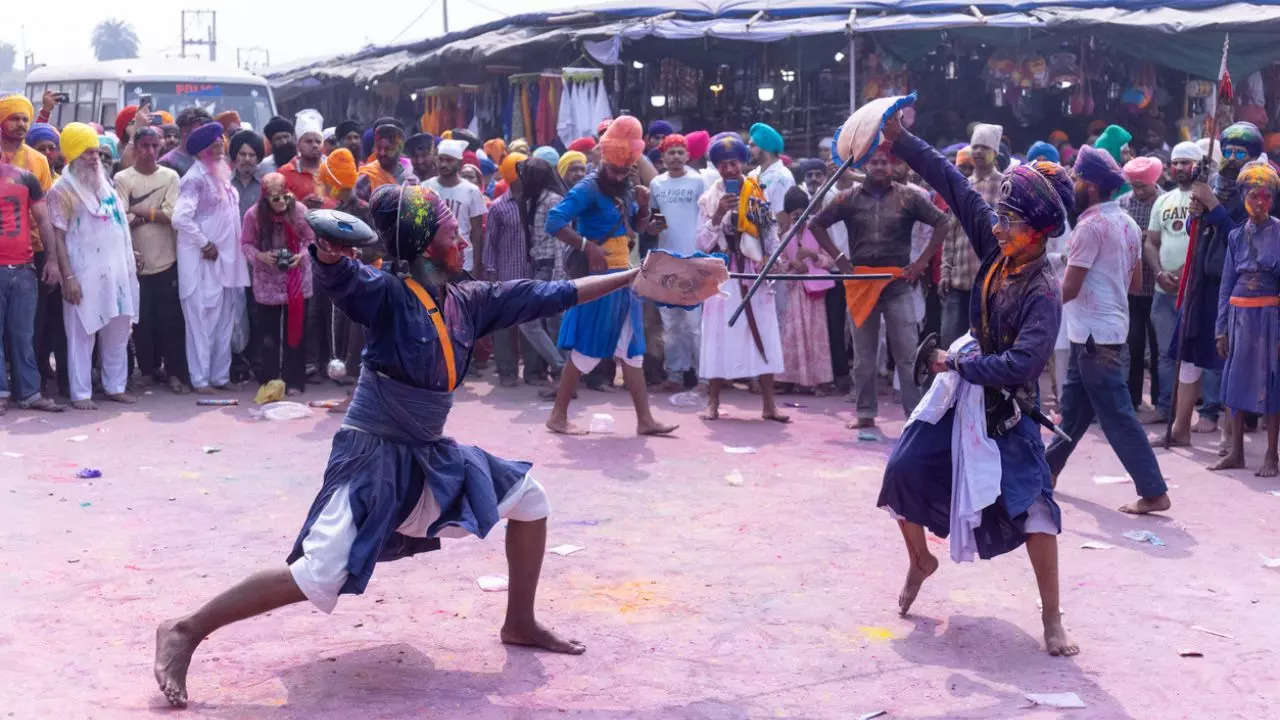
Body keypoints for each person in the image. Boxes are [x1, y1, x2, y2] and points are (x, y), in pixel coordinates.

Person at [147, 182, 690, 708]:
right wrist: (331, 257)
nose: (465, 243)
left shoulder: (469, 300)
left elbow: (550, 293)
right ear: (428, 248)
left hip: (426, 453)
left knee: (531, 498)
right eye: (456, 236)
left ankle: (519, 621)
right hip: (372, 456)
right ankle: (185, 628)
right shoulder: (386, 295)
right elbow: (341, 281)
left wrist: (632, 277)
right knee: (317, 575)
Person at [875, 113, 1079, 657]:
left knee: (1035, 512)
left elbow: (1020, 365)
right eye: (1000, 216)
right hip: (962, 387)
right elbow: (951, 180)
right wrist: (899, 141)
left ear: (1036, 232)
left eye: (1010, 221)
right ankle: (921, 559)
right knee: (902, 471)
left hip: (1008, 409)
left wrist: (955, 364)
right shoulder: (997, 248)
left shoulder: (1043, 292)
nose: (997, 226)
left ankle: (1053, 620)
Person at [1044, 145, 1171, 514]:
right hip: (1106, 332)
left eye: (1078, 178)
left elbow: (1068, 289)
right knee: (1074, 411)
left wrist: (1033, 305)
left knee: (1117, 418)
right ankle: (1048, 470)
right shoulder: (1129, 223)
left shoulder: (1089, 226)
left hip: (1092, 338)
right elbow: (1134, 284)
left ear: (1093, 187)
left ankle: (1153, 490)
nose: (1073, 185)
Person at [544, 116, 678, 436]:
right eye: (615, 168)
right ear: (605, 159)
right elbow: (554, 220)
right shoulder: (588, 187)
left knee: (632, 351)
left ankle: (645, 419)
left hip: (626, 277)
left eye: (625, 169)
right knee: (587, 348)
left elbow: (636, 229)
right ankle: (558, 416)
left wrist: (644, 208)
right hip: (600, 279)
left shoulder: (629, 186)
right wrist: (586, 245)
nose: (619, 174)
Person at [811, 143, 949, 429]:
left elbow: (943, 222)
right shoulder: (848, 198)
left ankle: (915, 415)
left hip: (897, 283)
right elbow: (815, 224)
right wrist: (839, 259)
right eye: (873, 162)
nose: (878, 167)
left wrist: (922, 261)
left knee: (908, 355)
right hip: (861, 282)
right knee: (864, 357)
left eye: (884, 162)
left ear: (892, 166)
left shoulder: (909, 197)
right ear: (864, 166)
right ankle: (865, 413)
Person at [695, 134, 789, 421]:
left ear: (742, 163)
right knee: (717, 335)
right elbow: (701, 243)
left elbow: (770, 232)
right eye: (722, 165)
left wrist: (775, 261)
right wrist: (718, 215)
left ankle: (769, 404)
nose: (729, 170)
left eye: (734, 163)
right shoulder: (708, 197)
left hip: (753, 270)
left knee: (764, 332)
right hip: (723, 275)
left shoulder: (758, 193)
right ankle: (712, 402)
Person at [46, 123, 139, 410]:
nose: (94, 157)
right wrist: (68, 277)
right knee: (81, 334)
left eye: (96, 152)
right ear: (72, 156)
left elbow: (117, 224)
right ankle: (81, 393)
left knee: (118, 329)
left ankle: (115, 386)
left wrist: (130, 254)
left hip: (117, 272)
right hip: (83, 274)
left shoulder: (104, 183)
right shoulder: (60, 190)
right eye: (87, 153)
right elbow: (58, 237)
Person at [1212, 160, 1280, 476]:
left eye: (1265, 196)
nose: (1259, 202)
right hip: (1239, 317)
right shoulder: (1237, 236)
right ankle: (1236, 452)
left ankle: (1271, 456)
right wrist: (1221, 328)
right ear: (1243, 197)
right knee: (1234, 383)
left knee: (1272, 383)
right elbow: (1226, 284)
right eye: (1253, 196)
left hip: (1269, 320)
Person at [172, 123, 251, 395]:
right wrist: (204, 243)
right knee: (201, 321)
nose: (221, 148)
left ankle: (219, 375)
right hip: (202, 261)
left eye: (221, 142)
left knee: (225, 319)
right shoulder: (194, 179)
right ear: (203, 151)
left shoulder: (221, 174)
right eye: (215, 145)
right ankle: (200, 379)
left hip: (226, 261)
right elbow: (180, 217)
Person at [114, 127, 187, 394]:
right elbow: (120, 218)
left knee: (170, 321)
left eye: (155, 146)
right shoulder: (123, 178)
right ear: (135, 147)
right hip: (136, 262)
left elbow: (173, 214)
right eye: (145, 146)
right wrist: (146, 214)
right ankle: (146, 370)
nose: (150, 151)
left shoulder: (170, 176)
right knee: (142, 322)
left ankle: (174, 373)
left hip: (167, 259)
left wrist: (138, 211)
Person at [0, 130, 62, 413]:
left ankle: (29, 393)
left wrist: (51, 260)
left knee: (23, 334)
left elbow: (44, 221)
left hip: (24, 267)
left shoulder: (26, 177)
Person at [242, 174, 315, 396]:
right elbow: (246, 244)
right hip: (267, 280)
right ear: (265, 199)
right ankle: (270, 379)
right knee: (268, 334)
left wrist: (301, 256)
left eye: (285, 197)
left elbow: (311, 240)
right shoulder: (253, 215)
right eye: (275, 199)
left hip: (297, 277)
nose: (282, 203)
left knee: (296, 330)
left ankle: (294, 381)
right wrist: (261, 257)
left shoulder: (300, 211)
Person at [1146, 141, 1201, 425]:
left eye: (1185, 162)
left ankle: (1209, 412)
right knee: (1166, 355)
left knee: (1199, 354)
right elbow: (1152, 242)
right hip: (1163, 291)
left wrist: (1183, 272)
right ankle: (1166, 409)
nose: (1179, 167)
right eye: (1175, 162)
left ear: (1198, 165)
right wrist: (1159, 273)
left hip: (1194, 291)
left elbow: (1209, 241)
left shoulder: (1205, 197)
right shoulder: (1162, 200)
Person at [647, 133, 706, 391]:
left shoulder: (698, 182)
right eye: (670, 153)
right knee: (671, 323)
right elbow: (653, 219)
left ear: (688, 155)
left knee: (695, 324)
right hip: (666, 261)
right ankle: (675, 374)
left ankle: (704, 375)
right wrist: (652, 227)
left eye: (680, 152)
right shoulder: (656, 184)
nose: (675, 157)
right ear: (662, 157)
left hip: (693, 259)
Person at [941, 125, 1003, 345]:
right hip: (959, 280)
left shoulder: (1006, 186)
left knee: (988, 345)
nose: (977, 151)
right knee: (951, 343)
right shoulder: (961, 187)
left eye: (984, 147)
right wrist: (945, 271)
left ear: (995, 153)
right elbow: (950, 234)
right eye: (975, 146)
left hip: (993, 282)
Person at [483, 153, 536, 387]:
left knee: (532, 325)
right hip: (505, 274)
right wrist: (490, 270)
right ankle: (507, 372)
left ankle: (533, 372)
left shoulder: (537, 203)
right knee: (504, 327)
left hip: (533, 273)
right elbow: (490, 242)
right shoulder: (498, 207)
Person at [777, 186, 835, 394]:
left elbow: (831, 260)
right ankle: (791, 379)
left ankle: (820, 381)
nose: (799, 215)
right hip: (794, 292)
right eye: (794, 212)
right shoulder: (784, 236)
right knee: (793, 334)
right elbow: (778, 263)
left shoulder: (818, 232)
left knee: (816, 335)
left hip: (815, 291)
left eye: (802, 210)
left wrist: (813, 256)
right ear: (788, 214)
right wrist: (792, 265)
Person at [1117, 156, 1164, 409]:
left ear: (1154, 181)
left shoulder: (1166, 201)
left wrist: (1146, 238)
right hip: (1131, 288)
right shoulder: (1121, 204)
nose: (1138, 191)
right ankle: (1133, 400)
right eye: (1134, 185)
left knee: (1159, 349)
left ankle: (1160, 401)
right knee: (1134, 346)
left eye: (1143, 186)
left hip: (1159, 286)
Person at [426, 139, 487, 276]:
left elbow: (477, 233)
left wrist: (477, 266)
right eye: (441, 159)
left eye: (449, 160)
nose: (443, 164)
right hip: (433, 259)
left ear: (459, 163)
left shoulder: (472, 191)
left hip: (463, 259)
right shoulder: (425, 187)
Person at [279, 111, 332, 211]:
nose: (315, 145)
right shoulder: (284, 173)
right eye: (309, 141)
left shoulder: (333, 170)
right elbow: (278, 208)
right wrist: (302, 205)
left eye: (318, 141)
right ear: (298, 145)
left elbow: (343, 201)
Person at [355, 124, 417, 202]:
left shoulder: (411, 181)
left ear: (399, 150)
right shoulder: (366, 178)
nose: (382, 153)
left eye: (388, 149)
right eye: (379, 148)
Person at [158, 107, 214, 177]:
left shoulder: (204, 159)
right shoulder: (167, 163)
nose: (205, 132)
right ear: (184, 130)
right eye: (201, 128)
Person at [229, 130, 264, 221]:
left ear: (258, 158)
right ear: (235, 156)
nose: (247, 159)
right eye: (242, 154)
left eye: (252, 155)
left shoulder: (265, 184)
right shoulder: (224, 183)